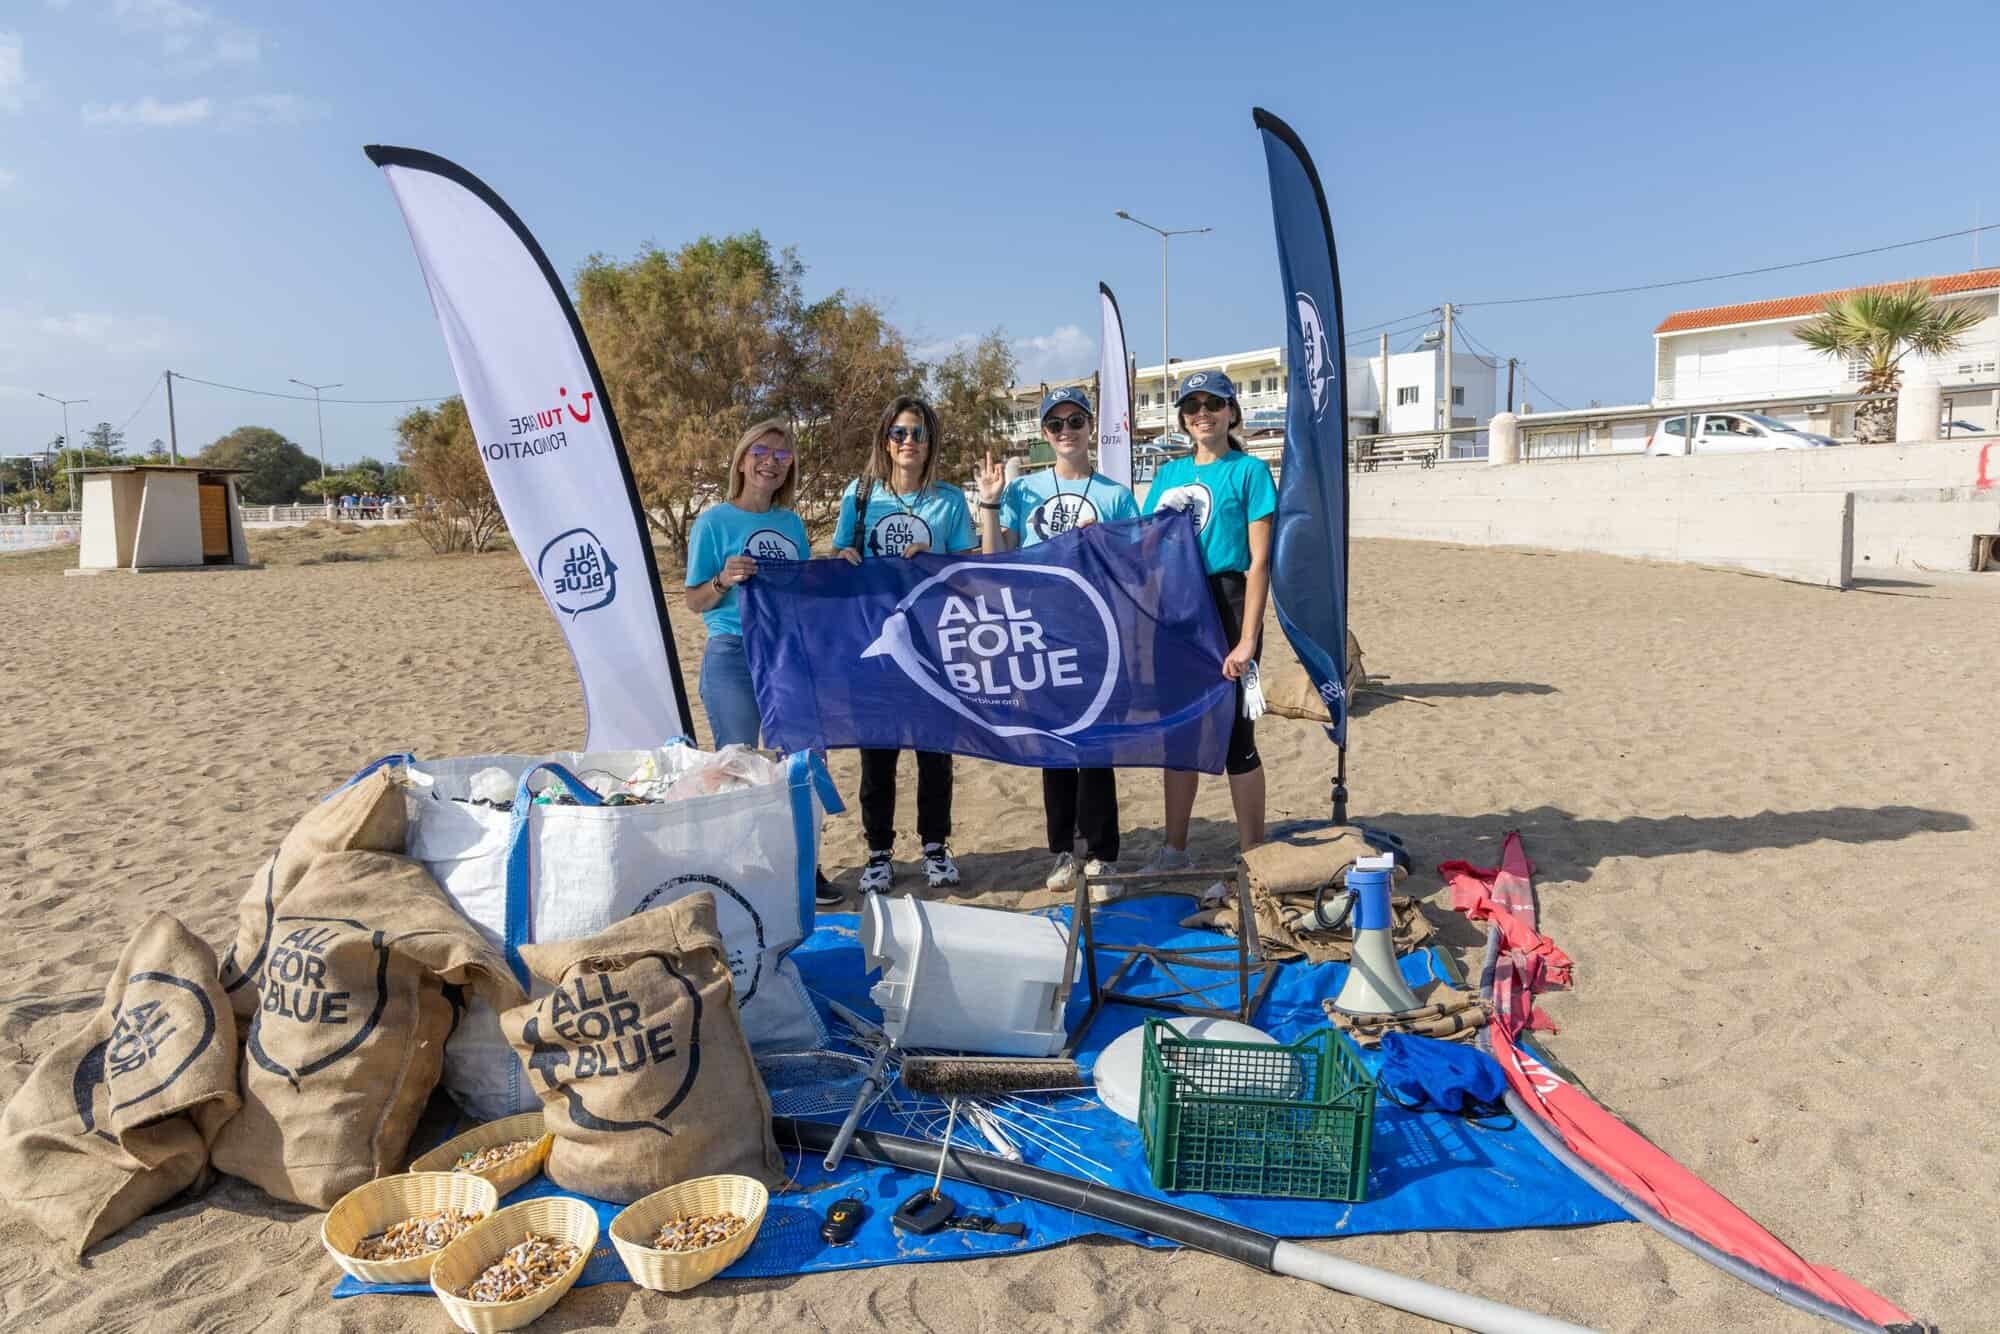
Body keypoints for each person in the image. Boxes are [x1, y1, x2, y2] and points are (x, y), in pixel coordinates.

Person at [975, 386, 1139, 894]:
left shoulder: (1114, 495)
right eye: (1056, 424)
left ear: (1090, 427)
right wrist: (989, 502)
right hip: (1039, 634)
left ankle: (1103, 854)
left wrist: (1102, 543)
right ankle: (1064, 850)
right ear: (1045, 434)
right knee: (1055, 746)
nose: (1066, 431)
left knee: (1096, 746)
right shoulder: (1023, 491)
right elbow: (994, 558)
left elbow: (1133, 569)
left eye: (1075, 421)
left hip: (1096, 635)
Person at [833, 395, 977, 894]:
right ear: (885, 440)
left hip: (933, 643)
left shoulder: (949, 501)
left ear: (931, 441)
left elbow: (967, 575)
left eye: (918, 432)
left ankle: (935, 847)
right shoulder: (859, 495)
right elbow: (840, 558)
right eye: (899, 433)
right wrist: (844, 556)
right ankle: (878, 853)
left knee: (935, 752)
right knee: (878, 755)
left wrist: (934, 558)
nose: (908, 441)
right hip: (873, 642)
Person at [1138, 370, 1275, 867]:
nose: (1203, 414)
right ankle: (1174, 849)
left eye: (1213, 404)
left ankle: (1253, 856)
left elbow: (1259, 563)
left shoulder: (1249, 472)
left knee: (1237, 736)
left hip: (1227, 604)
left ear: (1231, 411)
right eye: (1192, 406)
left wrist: (1247, 639)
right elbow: (1144, 549)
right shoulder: (1167, 475)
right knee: (1180, 737)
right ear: (1181, 418)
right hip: (1177, 612)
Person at [684, 417, 807, 749]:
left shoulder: (792, 524)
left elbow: (804, 590)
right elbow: (694, 602)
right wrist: (723, 580)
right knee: (740, 758)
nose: (771, 462)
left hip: (786, 651)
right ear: (740, 462)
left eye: (782, 456)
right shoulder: (712, 523)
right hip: (733, 651)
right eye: (760, 452)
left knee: (798, 756)